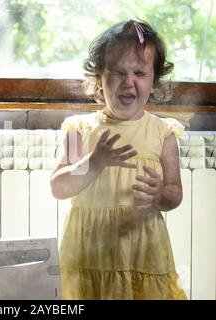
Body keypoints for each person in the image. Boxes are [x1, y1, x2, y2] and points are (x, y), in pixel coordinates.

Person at [50, 19, 187, 300]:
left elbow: (174, 195)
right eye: (117, 72)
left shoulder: (163, 134)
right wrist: (94, 162)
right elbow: (59, 188)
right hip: (87, 254)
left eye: (139, 72)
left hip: (141, 250)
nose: (128, 81)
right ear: (99, 77)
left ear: (153, 81)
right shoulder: (79, 129)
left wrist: (160, 193)